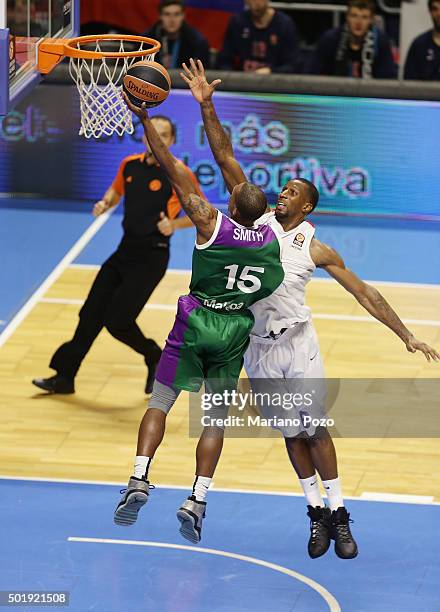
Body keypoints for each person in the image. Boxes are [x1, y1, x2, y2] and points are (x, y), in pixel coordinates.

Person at [181, 59, 440, 558]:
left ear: (308, 208)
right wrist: (207, 105)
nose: (283, 192)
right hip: (255, 348)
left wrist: (405, 335)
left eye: (293, 192)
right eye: (283, 188)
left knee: (316, 428)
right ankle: (315, 512)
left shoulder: (316, 249)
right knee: (291, 434)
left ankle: (340, 514)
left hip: (298, 343)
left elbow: (366, 294)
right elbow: (225, 154)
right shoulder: (255, 221)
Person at [113, 89, 285, 543]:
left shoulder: (210, 221)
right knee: (214, 421)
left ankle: (138, 477)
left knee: (160, 403)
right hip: (233, 330)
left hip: (195, 322)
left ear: (232, 206)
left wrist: (147, 120)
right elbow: (268, 287)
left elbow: (172, 167)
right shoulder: (272, 240)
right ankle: (198, 497)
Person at [32, 116, 201, 396]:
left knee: (118, 320)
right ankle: (65, 377)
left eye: (163, 135)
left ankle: (154, 356)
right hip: (124, 251)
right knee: (90, 314)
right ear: (144, 136)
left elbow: (202, 211)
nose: (155, 140)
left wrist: (174, 224)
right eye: (151, 134)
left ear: (171, 141)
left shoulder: (179, 173)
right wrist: (105, 202)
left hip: (152, 256)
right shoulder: (129, 165)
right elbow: (116, 191)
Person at [308, 0, 397, 78]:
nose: (358, 22)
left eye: (364, 17)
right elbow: (312, 73)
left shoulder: (381, 41)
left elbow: (388, 77)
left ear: (371, 20)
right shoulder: (330, 39)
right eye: (354, 16)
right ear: (347, 17)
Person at [217, 0, 299, 74]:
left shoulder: (284, 25)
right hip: (242, 82)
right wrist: (233, 77)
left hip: (275, 83)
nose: (255, 3)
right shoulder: (237, 22)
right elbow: (224, 61)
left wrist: (271, 71)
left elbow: (292, 65)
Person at [144, 0, 210, 69]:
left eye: (177, 14)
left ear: (183, 16)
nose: (172, 20)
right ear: (160, 16)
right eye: (167, 14)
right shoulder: (146, 41)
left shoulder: (198, 42)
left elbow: (207, 74)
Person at [404, 0, 440, 80]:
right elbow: (409, 85)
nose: (439, 13)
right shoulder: (419, 45)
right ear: (430, 12)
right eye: (435, 9)